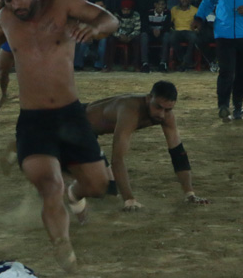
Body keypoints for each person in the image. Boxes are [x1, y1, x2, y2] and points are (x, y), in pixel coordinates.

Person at [0, 0, 117, 270]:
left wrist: (95, 29)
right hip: (34, 121)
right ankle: (62, 245)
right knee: (50, 186)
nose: (15, 5)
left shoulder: (64, 3)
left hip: (70, 116)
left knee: (98, 186)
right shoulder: (6, 18)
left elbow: (110, 20)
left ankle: (75, 193)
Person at [84, 82, 209, 210]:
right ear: (149, 98)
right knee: (101, 187)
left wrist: (190, 194)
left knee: (109, 189)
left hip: (88, 134)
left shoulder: (166, 115)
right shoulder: (130, 111)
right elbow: (117, 158)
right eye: (158, 107)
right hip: (76, 126)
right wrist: (129, 200)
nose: (162, 114)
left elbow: (178, 153)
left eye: (168, 110)